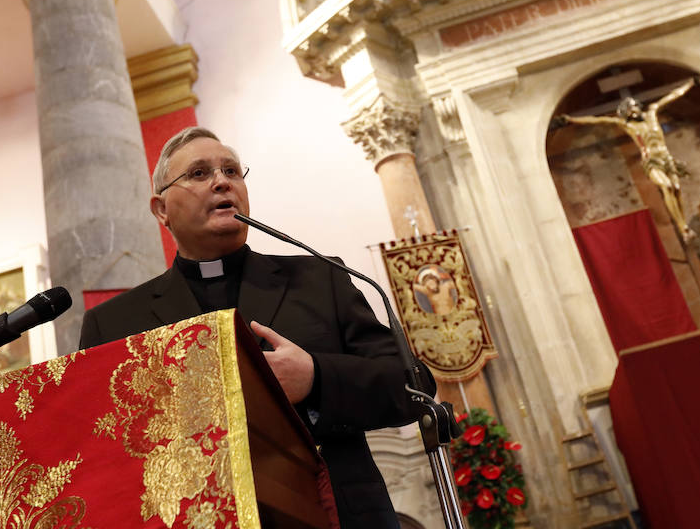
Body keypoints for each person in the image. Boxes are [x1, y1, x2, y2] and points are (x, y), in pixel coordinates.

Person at [79, 127, 435, 529]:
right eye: (199, 173)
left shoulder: (321, 278)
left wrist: (316, 379)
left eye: (231, 171)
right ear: (161, 209)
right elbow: (100, 456)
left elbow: (414, 387)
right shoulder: (114, 323)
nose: (221, 181)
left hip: (334, 514)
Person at [557, 77, 700, 242]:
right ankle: (683, 228)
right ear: (625, 113)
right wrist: (571, 119)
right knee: (666, 186)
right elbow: (598, 119)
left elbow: (672, 96)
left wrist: (690, 84)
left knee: (676, 188)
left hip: (666, 157)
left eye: (635, 107)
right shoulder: (629, 126)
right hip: (651, 161)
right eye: (629, 110)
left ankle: (684, 226)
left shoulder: (652, 114)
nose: (633, 110)